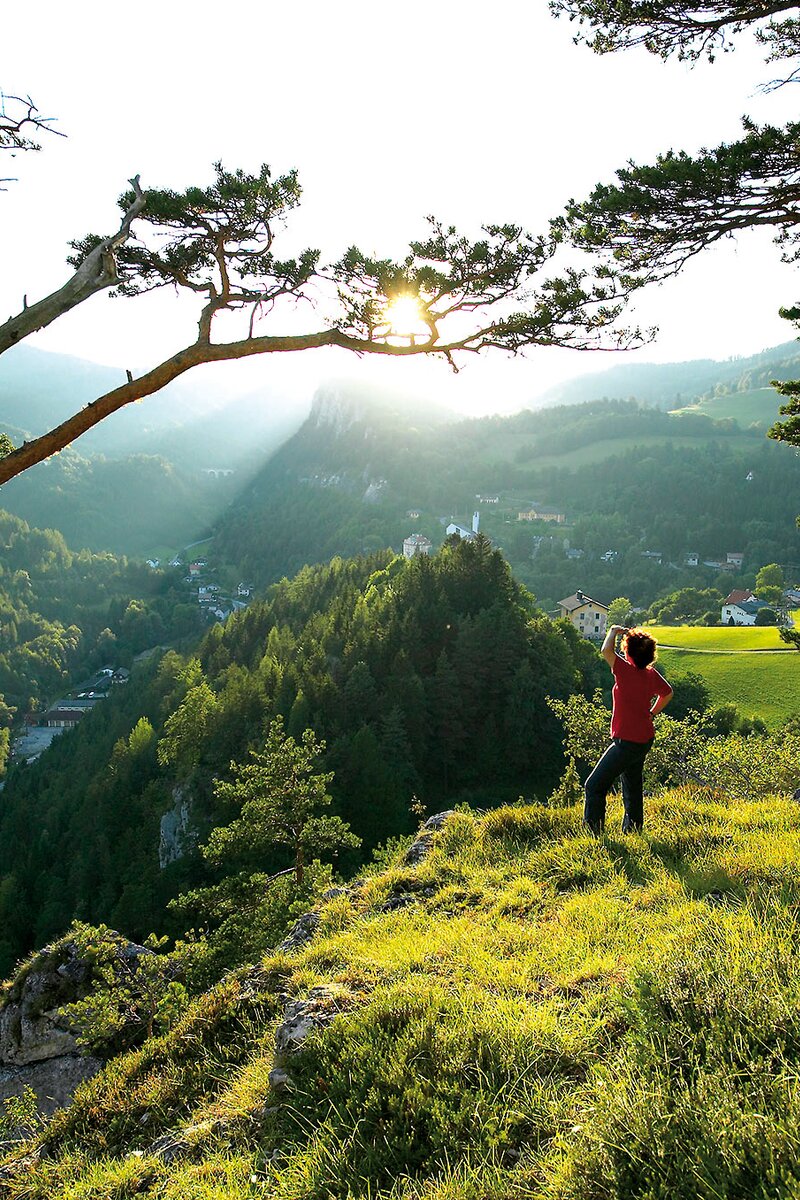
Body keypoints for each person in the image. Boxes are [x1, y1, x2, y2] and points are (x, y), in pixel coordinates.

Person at [584, 624, 673, 835]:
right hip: (644, 738)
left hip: (627, 742)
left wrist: (614, 631)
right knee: (632, 786)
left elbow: (606, 650)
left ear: (628, 653)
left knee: (594, 786)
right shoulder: (651, 675)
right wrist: (652, 713)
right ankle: (633, 831)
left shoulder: (624, 671)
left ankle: (593, 834)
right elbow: (668, 693)